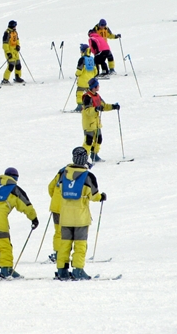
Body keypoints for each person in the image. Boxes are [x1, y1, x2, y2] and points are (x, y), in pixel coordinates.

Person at [54, 147, 106, 281]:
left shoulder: (63, 173)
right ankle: (78, 270)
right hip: (80, 217)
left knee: (64, 244)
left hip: (65, 216)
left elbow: (57, 190)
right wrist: (101, 197)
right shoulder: (88, 176)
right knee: (80, 244)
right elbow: (94, 196)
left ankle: (62, 270)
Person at [82, 78, 119, 162]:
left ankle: (94, 155)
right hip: (89, 123)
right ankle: (84, 158)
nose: (99, 86)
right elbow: (87, 111)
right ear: (94, 87)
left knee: (99, 139)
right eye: (97, 85)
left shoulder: (96, 96)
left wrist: (113, 106)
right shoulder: (87, 97)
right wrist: (96, 109)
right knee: (88, 141)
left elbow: (103, 106)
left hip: (96, 123)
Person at [72, 43, 98, 112]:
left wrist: (76, 74)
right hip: (90, 81)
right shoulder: (92, 59)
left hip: (82, 81)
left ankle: (80, 107)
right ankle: (88, 106)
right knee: (89, 94)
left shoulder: (82, 59)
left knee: (79, 93)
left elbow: (79, 70)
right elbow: (96, 71)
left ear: (83, 51)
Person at [2, 20, 23, 84]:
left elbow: (17, 40)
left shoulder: (15, 32)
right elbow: (5, 44)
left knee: (18, 65)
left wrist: (18, 46)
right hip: (10, 52)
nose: (15, 27)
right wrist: (8, 52)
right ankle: (5, 79)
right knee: (11, 66)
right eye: (15, 26)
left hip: (15, 51)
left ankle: (17, 77)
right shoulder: (7, 33)